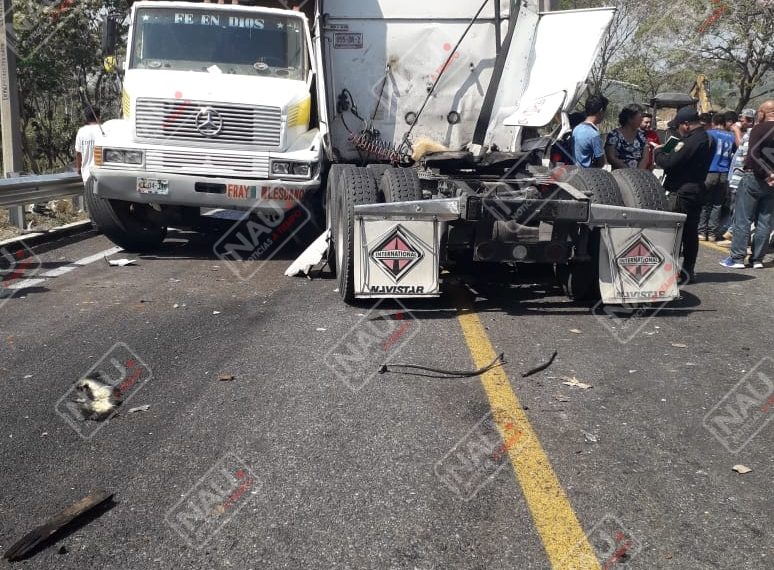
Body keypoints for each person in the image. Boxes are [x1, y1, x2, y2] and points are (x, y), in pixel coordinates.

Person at [654, 106, 715, 283]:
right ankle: (687, 270)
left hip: (682, 192)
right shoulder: (707, 138)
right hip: (696, 189)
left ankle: (671, 270)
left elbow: (670, 162)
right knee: (690, 233)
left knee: (675, 233)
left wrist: (658, 151)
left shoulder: (693, 141)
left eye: (679, 126)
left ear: (686, 124)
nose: (678, 130)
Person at [720, 100, 774, 269]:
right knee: (765, 222)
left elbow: (753, 155)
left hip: (754, 178)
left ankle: (737, 259)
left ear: (763, 112)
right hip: (772, 185)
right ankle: (757, 259)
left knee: (743, 219)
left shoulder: (760, 128)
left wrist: (766, 174)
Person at [698, 113, 736, 241]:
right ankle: (712, 233)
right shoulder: (731, 136)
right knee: (717, 204)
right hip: (724, 172)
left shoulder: (709, 133)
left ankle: (702, 232)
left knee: (704, 202)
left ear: (713, 122)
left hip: (710, 171)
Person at [605, 104, 649, 170]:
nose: (642, 119)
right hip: (620, 175)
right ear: (630, 118)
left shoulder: (642, 136)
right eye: (640, 116)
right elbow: (611, 157)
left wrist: (638, 172)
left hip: (638, 175)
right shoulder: (614, 135)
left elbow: (645, 157)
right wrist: (628, 171)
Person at [572, 95, 608, 168]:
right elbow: (601, 162)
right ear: (601, 111)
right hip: (588, 175)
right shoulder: (594, 135)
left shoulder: (576, 129)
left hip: (576, 173)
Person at [75, 107, 103, 184]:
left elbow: (78, 153)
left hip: (86, 175)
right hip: (102, 175)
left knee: (89, 195)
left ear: (86, 118)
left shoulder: (81, 131)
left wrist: (78, 168)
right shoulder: (103, 130)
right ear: (98, 117)